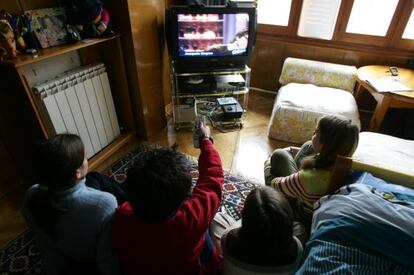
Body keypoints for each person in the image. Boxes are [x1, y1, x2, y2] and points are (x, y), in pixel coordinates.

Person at [112, 123, 224, 275]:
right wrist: (206, 139)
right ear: (184, 199)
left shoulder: (120, 217)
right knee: (205, 228)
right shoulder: (193, 218)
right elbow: (212, 180)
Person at [21, 133, 122, 275]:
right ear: (77, 173)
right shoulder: (104, 204)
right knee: (103, 181)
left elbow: (43, 240)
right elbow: (106, 256)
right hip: (87, 262)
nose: (87, 159)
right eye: (85, 157)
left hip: (59, 261)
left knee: (95, 178)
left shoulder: (32, 194)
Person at [264, 115, 359, 228]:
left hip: (301, 214)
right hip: (312, 194)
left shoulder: (310, 177)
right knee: (308, 146)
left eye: (315, 133)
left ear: (326, 145)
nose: (312, 134)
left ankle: (294, 181)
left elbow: (275, 184)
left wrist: (268, 162)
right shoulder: (349, 167)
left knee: (278, 155)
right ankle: (296, 182)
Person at [220, 186, 303, 275]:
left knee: (219, 217)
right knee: (300, 228)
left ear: (244, 215)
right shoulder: (297, 248)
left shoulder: (227, 239)